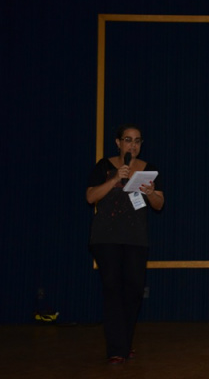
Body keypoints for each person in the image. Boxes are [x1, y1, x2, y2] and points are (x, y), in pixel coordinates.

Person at [86, 123, 164, 365]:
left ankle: (125, 342)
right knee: (113, 290)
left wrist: (150, 192)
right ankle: (116, 349)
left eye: (137, 141)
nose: (133, 145)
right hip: (106, 238)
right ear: (118, 143)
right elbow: (90, 197)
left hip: (135, 239)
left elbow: (159, 204)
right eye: (128, 140)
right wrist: (115, 179)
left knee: (133, 291)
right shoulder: (104, 166)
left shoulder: (147, 169)